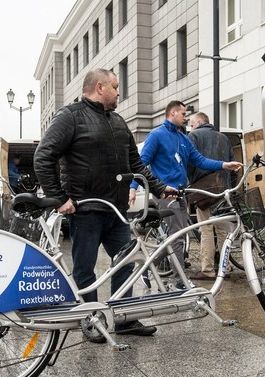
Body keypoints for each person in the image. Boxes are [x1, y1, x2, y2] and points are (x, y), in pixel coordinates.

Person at [34, 68, 175, 342]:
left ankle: (124, 320)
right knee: (85, 268)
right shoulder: (70, 116)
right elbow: (43, 156)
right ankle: (90, 319)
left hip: (117, 210)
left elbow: (136, 165)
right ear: (100, 87)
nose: (119, 92)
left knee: (125, 263)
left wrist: (160, 188)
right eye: (116, 86)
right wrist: (59, 198)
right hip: (86, 210)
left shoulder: (119, 121)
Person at [129, 101, 242, 286]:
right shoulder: (156, 135)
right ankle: (180, 280)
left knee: (177, 237)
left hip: (181, 193)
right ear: (172, 113)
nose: (186, 118)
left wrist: (224, 165)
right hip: (165, 194)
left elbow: (200, 160)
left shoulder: (183, 138)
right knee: (177, 237)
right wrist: (133, 187)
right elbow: (141, 164)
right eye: (183, 114)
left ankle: (147, 267)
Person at [186, 111, 235, 280]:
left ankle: (207, 270)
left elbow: (189, 162)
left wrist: (189, 184)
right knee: (222, 230)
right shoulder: (224, 138)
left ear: (199, 122)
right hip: (223, 188)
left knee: (206, 229)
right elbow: (231, 161)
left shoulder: (193, 136)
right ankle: (225, 268)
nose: (190, 127)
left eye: (192, 124)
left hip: (203, 190)